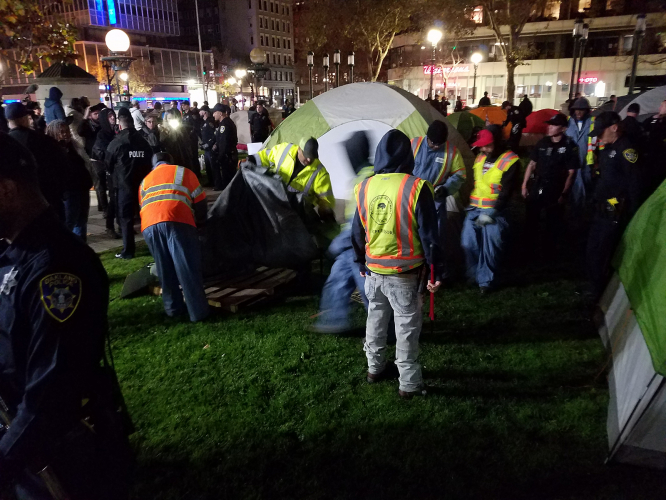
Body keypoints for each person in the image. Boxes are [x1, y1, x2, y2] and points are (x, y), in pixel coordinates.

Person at [0, 134, 133, 500]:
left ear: (7, 189)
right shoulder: (14, 256)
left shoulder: (57, 268)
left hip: (55, 462)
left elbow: (50, 396)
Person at [351, 129, 443, 399]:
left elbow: (357, 231)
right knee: (406, 329)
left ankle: (375, 368)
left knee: (375, 320)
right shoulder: (417, 187)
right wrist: (437, 270)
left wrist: (360, 261)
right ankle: (409, 383)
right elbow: (430, 236)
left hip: (373, 272)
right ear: (407, 156)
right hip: (405, 274)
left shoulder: (364, 186)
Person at [313, 131, 373, 334]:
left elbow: (359, 221)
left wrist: (338, 243)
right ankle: (333, 321)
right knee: (337, 281)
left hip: (359, 246)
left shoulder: (365, 180)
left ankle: (386, 329)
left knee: (367, 289)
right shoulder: (363, 176)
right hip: (351, 246)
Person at [139, 152, 209, 322]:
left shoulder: (145, 181)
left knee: (164, 268)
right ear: (170, 161)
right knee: (187, 268)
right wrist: (200, 223)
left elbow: (144, 206)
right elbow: (200, 202)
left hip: (149, 225)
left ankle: (173, 309)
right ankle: (198, 313)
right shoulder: (184, 172)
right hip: (178, 220)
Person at [586, 112, 644, 301]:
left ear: (614, 127)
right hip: (601, 209)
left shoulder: (627, 150)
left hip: (614, 213)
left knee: (602, 253)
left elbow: (634, 184)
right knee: (592, 250)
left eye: (601, 132)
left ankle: (600, 295)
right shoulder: (608, 148)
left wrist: (632, 213)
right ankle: (593, 288)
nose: (599, 137)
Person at [461, 126, 520, 293]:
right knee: (468, 243)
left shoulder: (510, 160)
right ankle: (473, 275)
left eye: (487, 145)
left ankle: (485, 282)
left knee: (490, 247)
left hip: (496, 211)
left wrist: (494, 212)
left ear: (498, 142)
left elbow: (507, 191)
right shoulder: (480, 158)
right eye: (482, 146)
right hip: (475, 208)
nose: (483, 149)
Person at [411, 120, 466, 278]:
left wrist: (446, 188)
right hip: (412, 197)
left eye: (439, 144)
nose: (436, 147)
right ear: (427, 137)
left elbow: (460, 175)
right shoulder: (413, 144)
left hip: (435, 199)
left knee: (435, 238)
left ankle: (434, 273)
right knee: (412, 234)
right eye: (433, 143)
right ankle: (414, 271)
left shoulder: (451, 151)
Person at [521, 113, 579, 255]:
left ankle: (548, 250)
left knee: (553, 219)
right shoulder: (543, 142)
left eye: (554, 125)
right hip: (538, 183)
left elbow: (571, 172)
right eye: (549, 125)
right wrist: (524, 185)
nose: (550, 127)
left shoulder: (569, 146)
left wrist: (564, 193)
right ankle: (528, 247)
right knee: (531, 216)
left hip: (555, 186)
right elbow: (532, 164)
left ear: (563, 128)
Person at [6, 102, 67, 221]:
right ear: (24, 119)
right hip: (47, 199)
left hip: (17, 205)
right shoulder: (44, 140)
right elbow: (62, 166)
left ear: (8, 121)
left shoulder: (5, 143)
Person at [248, 137, 336, 219]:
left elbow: (326, 199)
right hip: (273, 200)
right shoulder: (284, 150)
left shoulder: (320, 173)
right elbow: (265, 157)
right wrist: (250, 160)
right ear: (299, 149)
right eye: (306, 156)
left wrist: (326, 209)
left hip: (296, 213)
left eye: (312, 157)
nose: (309, 160)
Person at [105, 112, 153, 259]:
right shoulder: (143, 141)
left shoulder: (117, 142)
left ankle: (128, 251)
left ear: (120, 125)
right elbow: (150, 161)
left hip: (124, 186)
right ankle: (154, 245)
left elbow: (108, 163)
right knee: (148, 215)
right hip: (144, 186)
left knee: (125, 218)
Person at [46, 119, 94, 242]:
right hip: (68, 192)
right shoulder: (51, 150)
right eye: (61, 132)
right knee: (69, 222)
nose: (65, 134)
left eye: (67, 131)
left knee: (82, 221)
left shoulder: (75, 146)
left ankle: (81, 247)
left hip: (82, 188)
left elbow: (84, 164)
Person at [92, 108, 120, 238]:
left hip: (118, 170)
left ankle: (122, 225)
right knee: (113, 199)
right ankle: (110, 226)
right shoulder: (102, 135)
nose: (113, 118)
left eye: (113, 115)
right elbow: (102, 153)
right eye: (109, 116)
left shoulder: (116, 131)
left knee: (120, 198)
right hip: (110, 170)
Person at [565, 97, 596, 211]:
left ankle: (580, 210)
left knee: (585, 187)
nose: (578, 112)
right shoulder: (568, 121)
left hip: (587, 163)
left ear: (586, 110)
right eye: (576, 109)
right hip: (570, 162)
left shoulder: (593, 122)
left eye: (581, 110)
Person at [160, 108, 200, 176]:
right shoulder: (163, 130)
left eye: (173, 118)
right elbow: (165, 142)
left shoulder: (181, 128)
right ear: (166, 119)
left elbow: (186, 141)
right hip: (171, 156)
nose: (171, 120)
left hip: (183, 155)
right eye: (169, 118)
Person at [212, 103, 239, 191]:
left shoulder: (224, 124)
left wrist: (220, 156)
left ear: (220, 113)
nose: (213, 115)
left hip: (228, 156)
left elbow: (224, 142)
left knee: (228, 180)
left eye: (215, 112)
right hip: (229, 155)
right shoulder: (225, 122)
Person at [642, 99, 666, 194]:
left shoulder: (662, 123)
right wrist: (653, 119)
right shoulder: (656, 119)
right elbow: (644, 125)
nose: (659, 108)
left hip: (660, 158)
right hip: (651, 155)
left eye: (662, 106)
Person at [200, 108, 218, 188]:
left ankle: (216, 183)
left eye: (201, 111)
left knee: (213, 166)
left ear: (204, 112)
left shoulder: (210, 122)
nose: (199, 112)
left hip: (210, 148)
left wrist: (209, 144)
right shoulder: (204, 122)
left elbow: (214, 135)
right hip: (206, 148)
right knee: (208, 166)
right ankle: (210, 181)